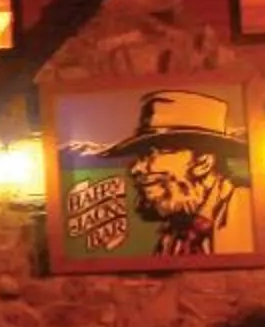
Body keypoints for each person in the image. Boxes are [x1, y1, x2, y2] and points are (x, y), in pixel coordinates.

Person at [77, 89, 245, 257]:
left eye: (153, 153)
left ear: (203, 162)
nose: (136, 168)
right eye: (140, 155)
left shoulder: (241, 211)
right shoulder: (175, 232)